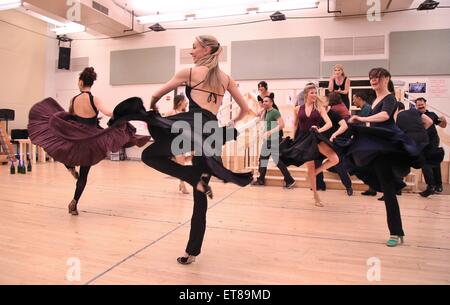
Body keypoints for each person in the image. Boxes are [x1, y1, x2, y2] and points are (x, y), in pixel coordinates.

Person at [110, 35, 253, 265]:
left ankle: (190, 177)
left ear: (206, 50)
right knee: (200, 197)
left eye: (194, 48)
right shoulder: (226, 79)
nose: (192, 52)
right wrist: (227, 126)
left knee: (149, 154)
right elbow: (245, 109)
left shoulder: (189, 73)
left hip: (191, 126)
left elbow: (156, 95)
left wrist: (154, 110)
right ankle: (192, 252)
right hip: (211, 133)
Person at [28, 67, 146, 216]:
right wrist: (124, 113)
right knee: (84, 175)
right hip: (90, 141)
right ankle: (74, 202)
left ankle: (70, 166)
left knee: (62, 151)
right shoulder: (94, 99)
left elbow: (71, 116)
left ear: (81, 82)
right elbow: (109, 113)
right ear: (91, 83)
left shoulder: (74, 99)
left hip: (74, 137)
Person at [346, 68, 422, 247]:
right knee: (357, 163)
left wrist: (363, 119)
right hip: (376, 146)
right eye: (371, 78)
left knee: (388, 191)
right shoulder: (375, 100)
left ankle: (395, 232)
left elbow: (385, 116)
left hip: (385, 147)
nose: (373, 81)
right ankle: (393, 188)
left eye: (377, 78)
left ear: (386, 79)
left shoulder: (390, 99)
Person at [280, 84, 339, 207]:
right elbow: (295, 125)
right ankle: (316, 196)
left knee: (335, 159)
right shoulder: (297, 109)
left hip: (315, 137)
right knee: (310, 167)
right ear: (306, 94)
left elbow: (329, 124)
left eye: (315, 92)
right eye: (312, 92)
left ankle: (316, 172)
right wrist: (293, 137)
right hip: (302, 139)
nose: (314, 95)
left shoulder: (319, 108)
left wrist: (319, 129)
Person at [252, 95, 295, 188]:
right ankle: (261, 179)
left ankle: (289, 179)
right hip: (268, 140)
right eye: (263, 101)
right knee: (264, 159)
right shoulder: (267, 112)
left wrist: (270, 132)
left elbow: (282, 124)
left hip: (273, 139)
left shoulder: (274, 112)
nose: (264, 103)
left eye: (266, 101)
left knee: (275, 160)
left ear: (271, 103)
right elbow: (258, 116)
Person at [315, 95, 353, 196]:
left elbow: (344, 126)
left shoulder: (334, 114)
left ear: (327, 102)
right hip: (322, 143)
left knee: (338, 164)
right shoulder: (319, 114)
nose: (320, 103)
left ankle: (348, 186)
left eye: (322, 101)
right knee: (317, 161)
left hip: (332, 144)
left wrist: (334, 134)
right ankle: (320, 185)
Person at [415, 97, 447, 194]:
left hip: (433, 142)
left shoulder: (432, 115)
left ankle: (438, 185)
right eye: (418, 105)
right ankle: (431, 186)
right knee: (424, 164)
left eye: (422, 104)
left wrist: (444, 120)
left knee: (435, 164)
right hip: (422, 143)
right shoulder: (415, 116)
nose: (420, 106)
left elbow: (443, 125)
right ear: (416, 106)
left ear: (425, 105)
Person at [164, 94, 190, 194]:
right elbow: (163, 124)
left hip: (183, 141)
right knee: (181, 164)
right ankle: (182, 185)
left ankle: (181, 183)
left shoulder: (185, 114)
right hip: (174, 141)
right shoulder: (171, 112)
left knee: (183, 163)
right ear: (180, 102)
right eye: (185, 101)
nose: (186, 103)